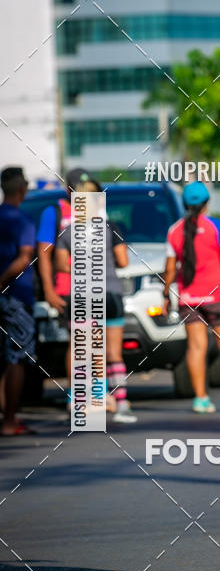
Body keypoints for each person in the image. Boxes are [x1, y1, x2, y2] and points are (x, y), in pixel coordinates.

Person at [163, 181, 220, 413]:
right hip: (217, 296)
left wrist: (166, 295)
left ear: (184, 204)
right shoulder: (216, 226)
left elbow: (170, 271)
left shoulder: (174, 231)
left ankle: (201, 399)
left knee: (196, 348)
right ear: (206, 204)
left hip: (188, 298)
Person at [55, 178, 137, 424]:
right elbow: (123, 262)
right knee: (112, 353)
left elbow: (60, 265)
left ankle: (82, 403)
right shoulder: (111, 227)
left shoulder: (68, 232)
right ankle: (120, 405)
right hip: (109, 293)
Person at [36, 167, 87, 408]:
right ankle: (76, 395)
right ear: (68, 189)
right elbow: (44, 253)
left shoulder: (96, 211)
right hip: (68, 287)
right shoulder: (54, 212)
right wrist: (49, 289)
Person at [0, 167, 36, 436]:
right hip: (15, 296)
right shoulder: (23, 221)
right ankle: (10, 420)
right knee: (16, 357)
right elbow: (25, 258)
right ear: (21, 188)